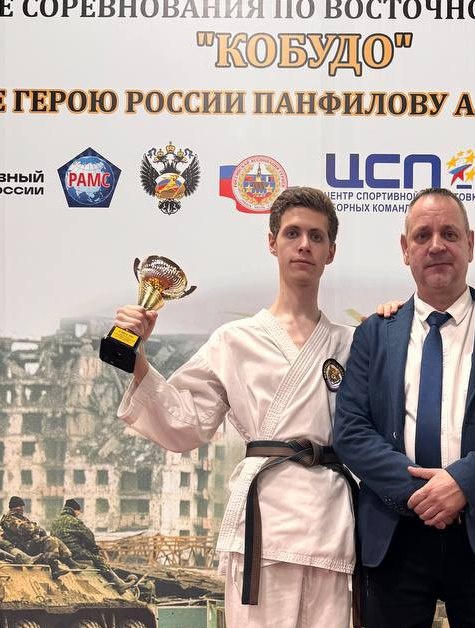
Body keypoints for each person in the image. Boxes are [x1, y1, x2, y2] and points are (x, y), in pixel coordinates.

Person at [113, 187, 357, 628]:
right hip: (263, 525)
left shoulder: (352, 343)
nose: (304, 245)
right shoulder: (234, 340)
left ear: (331, 252)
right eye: (292, 233)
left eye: (316, 236)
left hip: (331, 524)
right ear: (272, 243)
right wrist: (138, 356)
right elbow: (186, 423)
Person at [334, 187, 475, 628]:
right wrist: (423, 494)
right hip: (395, 533)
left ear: (470, 244)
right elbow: (351, 431)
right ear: (405, 249)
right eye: (423, 235)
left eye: (449, 234)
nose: (436, 245)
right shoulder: (373, 334)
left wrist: (462, 483)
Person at [50, 498, 135, 592]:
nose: (78, 514)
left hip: (61, 553)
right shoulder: (74, 521)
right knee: (98, 559)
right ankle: (119, 584)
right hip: (75, 552)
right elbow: (88, 536)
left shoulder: (55, 522)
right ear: (74, 510)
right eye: (78, 512)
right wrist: (93, 549)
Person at [0, 496, 82, 579]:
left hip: (29, 543)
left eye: (21, 507)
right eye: (20, 507)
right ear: (14, 508)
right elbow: (26, 529)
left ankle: (69, 561)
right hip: (21, 546)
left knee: (55, 539)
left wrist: (38, 531)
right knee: (49, 540)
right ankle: (54, 567)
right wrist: (39, 530)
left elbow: (31, 528)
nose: (21, 509)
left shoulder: (21, 518)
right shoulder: (9, 519)